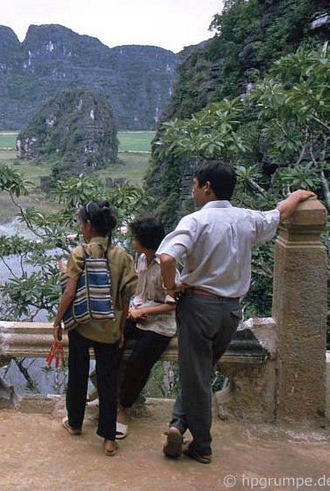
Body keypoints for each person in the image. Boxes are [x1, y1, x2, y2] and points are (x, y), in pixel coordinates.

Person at [157, 160, 316, 464]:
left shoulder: (194, 222)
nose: (193, 189)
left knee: (197, 375)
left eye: (195, 184)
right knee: (200, 373)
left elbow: (166, 258)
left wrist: (171, 286)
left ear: (206, 187)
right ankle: (177, 424)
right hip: (230, 312)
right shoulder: (247, 219)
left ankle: (201, 445)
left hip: (198, 307)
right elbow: (279, 214)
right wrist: (297, 196)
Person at [52, 200, 137, 456]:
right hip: (109, 327)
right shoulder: (122, 256)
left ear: (88, 225)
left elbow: (69, 293)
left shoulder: (80, 253)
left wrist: (57, 322)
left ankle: (75, 423)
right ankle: (109, 439)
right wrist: (121, 328)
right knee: (108, 382)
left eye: (81, 223)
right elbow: (125, 297)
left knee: (77, 374)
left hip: (82, 324)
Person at [115, 216, 176, 440]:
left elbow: (173, 302)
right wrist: (133, 308)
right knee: (113, 341)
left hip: (160, 323)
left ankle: (124, 409)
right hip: (138, 313)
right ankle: (107, 392)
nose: (132, 241)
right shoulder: (142, 259)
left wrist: (143, 312)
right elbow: (140, 293)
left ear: (145, 241)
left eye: (135, 237)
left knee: (137, 362)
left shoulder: (167, 264)